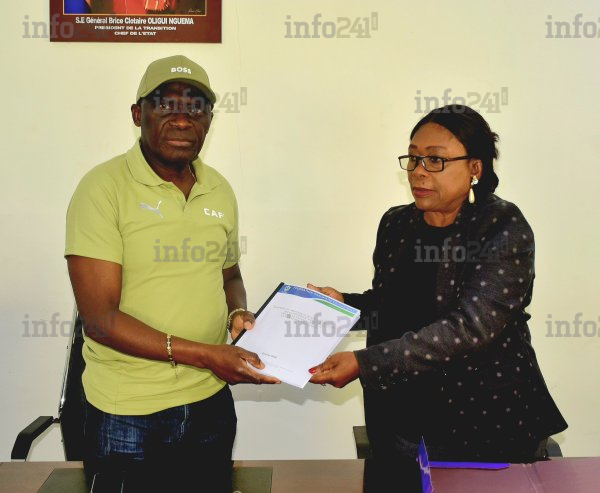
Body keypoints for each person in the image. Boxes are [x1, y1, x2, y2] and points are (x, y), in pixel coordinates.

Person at [65, 55, 279, 492]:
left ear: (209, 120)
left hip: (210, 404)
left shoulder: (218, 188)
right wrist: (206, 354)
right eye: (166, 104)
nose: (183, 119)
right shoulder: (102, 189)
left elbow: (229, 274)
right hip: (127, 413)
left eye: (196, 106)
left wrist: (238, 312)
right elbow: (100, 320)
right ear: (137, 114)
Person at [308, 105, 567, 464]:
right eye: (413, 159)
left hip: (486, 422)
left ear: (475, 168)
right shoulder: (396, 224)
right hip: (399, 421)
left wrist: (365, 364)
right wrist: (343, 305)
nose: (419, 171)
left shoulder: (502, 226)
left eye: (435, 160)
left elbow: (469, 327)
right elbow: (391, 306)